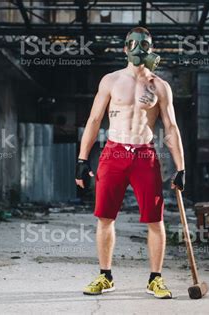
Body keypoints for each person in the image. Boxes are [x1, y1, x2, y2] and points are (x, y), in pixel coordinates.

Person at [75, 27, 185, 299]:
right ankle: (105, 276)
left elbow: (171, 127)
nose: (138, 49)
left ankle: (155, 279)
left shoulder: (160, 86)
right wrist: (81, 159)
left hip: (144, 154)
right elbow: (94, 120)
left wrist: (181, 167)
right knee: (105, 217)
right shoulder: (111, 81)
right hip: (113, 152)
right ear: (125, 48)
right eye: (133, 44)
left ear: (151, 48)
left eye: (144, 44)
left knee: (155, 219)